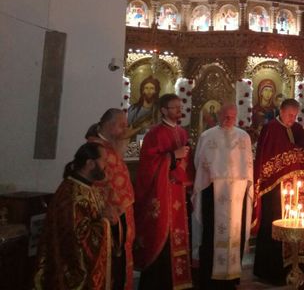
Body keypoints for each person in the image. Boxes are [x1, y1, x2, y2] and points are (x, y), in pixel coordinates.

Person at [253, 98, 304, 285]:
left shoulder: (298, 129)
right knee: (275, 225)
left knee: (297, 224)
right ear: (281, 111)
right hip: (276, 190)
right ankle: (272, 271)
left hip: (299, 188)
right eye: (289, 115)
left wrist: (297, 158)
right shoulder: (270, 129)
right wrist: (292, 158)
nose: (292, 119)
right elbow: (266, 160)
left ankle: (296, 267)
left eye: (295, 116)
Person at [134, 93, 194, 290]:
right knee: (162, 237)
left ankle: (178, 283)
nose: (179, 110)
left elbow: (186, 163)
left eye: (180, 107)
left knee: (179, 237)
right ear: (163, 110)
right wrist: (172, 156)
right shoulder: (154, 134)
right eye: (174, 107)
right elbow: (148, 166)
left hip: (179, 193)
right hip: (161, 195)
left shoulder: (182, 132)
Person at [33, 142, 111, 290]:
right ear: (90, 163)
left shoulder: (89, 188)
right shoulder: (70, 194)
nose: (106, 165)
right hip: (68, 273)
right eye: (104, 161)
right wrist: (106, 223)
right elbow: (76, 238)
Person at [192, 104, 253, 290]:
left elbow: (248, 164)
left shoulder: (244, 137)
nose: (229, 120)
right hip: (213, 192)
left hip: (238, 193)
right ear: (218, 115)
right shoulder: (207, 136)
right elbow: (199, 162)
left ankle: (231, 278)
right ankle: (210, 280)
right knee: (211, 232)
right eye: (226, 116)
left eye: (232, 117)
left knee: (236, 233)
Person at [85, 109, 136, 290]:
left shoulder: (110, 147)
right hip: (108, 218)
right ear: (108, 125)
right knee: (108, 268)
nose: (125, 130)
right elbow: (95, 185)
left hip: (121, 216)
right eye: (122, 125)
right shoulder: (94, 149)